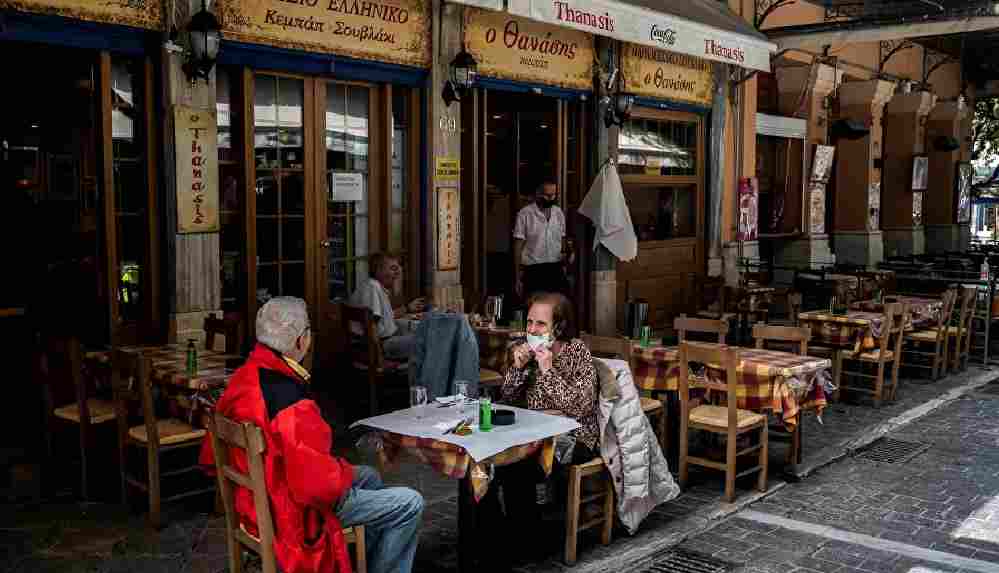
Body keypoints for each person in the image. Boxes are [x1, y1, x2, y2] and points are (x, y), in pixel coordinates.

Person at [199, 297, 424, 573]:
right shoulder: (291, 404)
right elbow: (317, 488)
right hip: (291, 513)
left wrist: (341, 472)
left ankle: (368, 560)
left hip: (254, 502)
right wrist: (339, 473)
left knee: (370, 476)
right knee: (410, 503)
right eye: (308, 331)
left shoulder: (244, 377)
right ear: (300, 342)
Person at [478, 292, 597, 563]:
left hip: (574, 436)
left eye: (540, 324)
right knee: (482, 461)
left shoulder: (577, 352)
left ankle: (527, 543)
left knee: (516, 466)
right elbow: (506, 398)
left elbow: (580, 408)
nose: (532, 330)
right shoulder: (524, 350)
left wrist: (547, 369)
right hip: (533, 430)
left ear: (559, 327)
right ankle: (493, 536)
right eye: (529, 322)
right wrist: (518, 368)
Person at [348, 253, 426, 360]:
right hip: (381, 346)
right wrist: (379, 359)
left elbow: (383, 318)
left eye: (398, 268)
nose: (398, 272)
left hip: (382, 342)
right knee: (429, 342)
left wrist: (407, 308)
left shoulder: (373, 285)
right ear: (378, 270)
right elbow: (371, 324)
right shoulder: (372, 287)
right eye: (393, 268)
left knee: (424, 333)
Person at [514, 182, 572, 299]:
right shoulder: (525, 214)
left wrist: (566, 263)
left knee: (558, 309)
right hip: (534, 270)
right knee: (534, 310)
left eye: (553, 195)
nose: (551, 198)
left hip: (556, 269)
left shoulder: (558, 213)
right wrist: (517, 277)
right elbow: (518, 247)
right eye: (547, 195)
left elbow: (562, 240)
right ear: (538, 193)